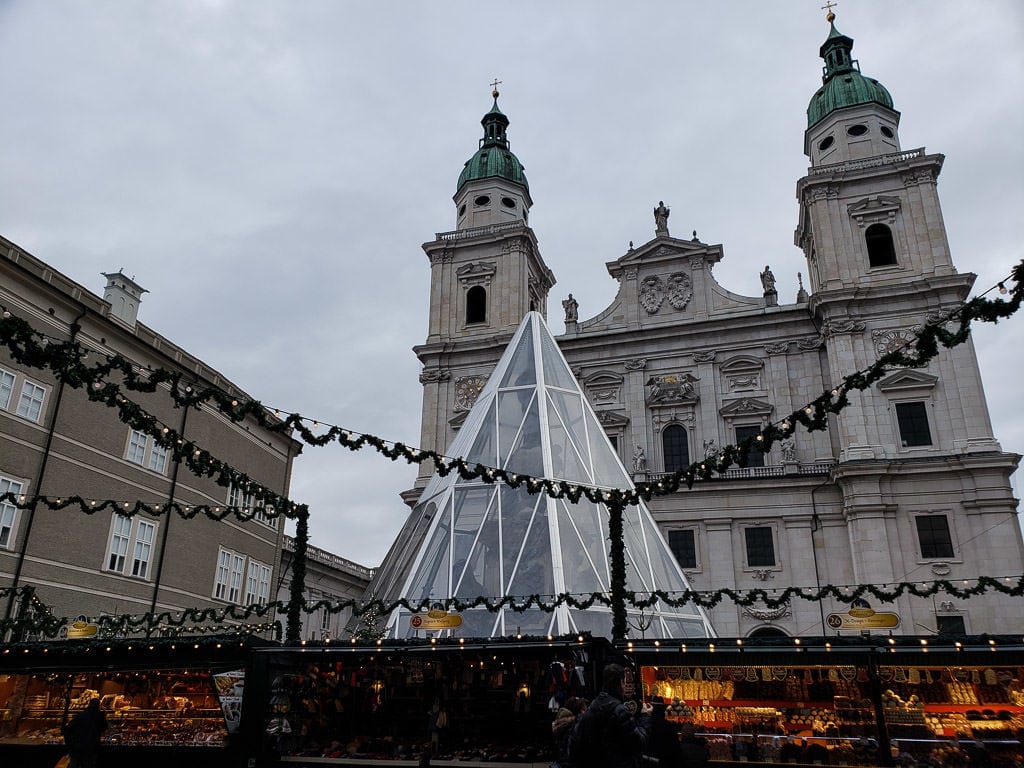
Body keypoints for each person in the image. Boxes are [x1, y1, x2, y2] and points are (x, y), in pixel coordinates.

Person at [569, 663, 650, 768]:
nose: (625, 686)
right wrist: (645, 716)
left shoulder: (592, 708)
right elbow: (639, 743)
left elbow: (574, 743)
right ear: (620, 683)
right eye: (624, 682)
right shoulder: (620, 712)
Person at [63, 697, 107, 768]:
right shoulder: (99, 716)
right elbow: (104, 728)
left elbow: (68, 729)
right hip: (91, 747)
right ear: (98, 706)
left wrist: (69, 743)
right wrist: (104, 716)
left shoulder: (80, 715)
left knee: (75, 764)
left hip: (76, 747)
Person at [643, 702, 683, 768]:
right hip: (665, 760)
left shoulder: (647, 724)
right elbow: (675, 748)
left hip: (649, 760)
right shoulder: (668, 726)